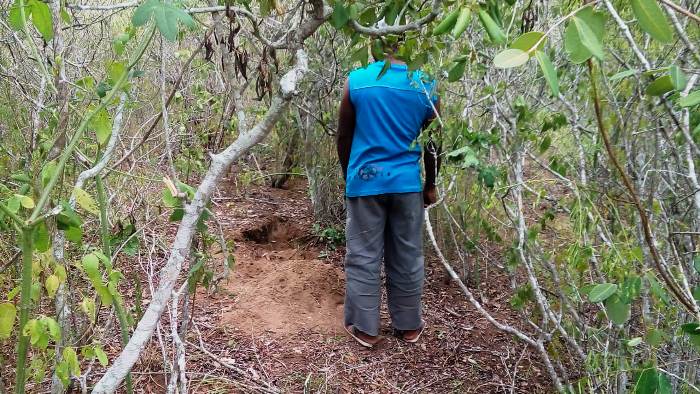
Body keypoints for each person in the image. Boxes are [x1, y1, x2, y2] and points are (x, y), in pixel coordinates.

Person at [336, 44, 441, 348]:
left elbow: (344, 135)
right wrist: (430, 185)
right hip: (407, 184)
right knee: (407, 253)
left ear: (374, 42)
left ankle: (366, 329)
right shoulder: (424, 84)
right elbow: (433, 141)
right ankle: (408, 327)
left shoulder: (357, 80)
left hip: (365, 182)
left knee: (363, 256)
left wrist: (349, 177)